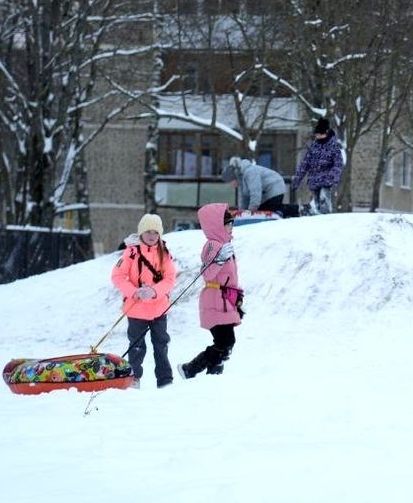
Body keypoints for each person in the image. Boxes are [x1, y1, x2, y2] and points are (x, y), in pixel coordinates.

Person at [110, 213, 178, 388]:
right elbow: (117, 276)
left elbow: (170, 278)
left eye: (155, 232)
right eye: (148, 231)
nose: (152, 235)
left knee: (161, 345)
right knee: (136, 347)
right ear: (141, 232)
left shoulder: (165, 253)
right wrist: (134, 292)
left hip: (159, 309)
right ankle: (133, 379)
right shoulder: (131, 253)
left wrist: (154, 292)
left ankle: (165, 380)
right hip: (136, 309)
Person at [177, 203, 244, 378]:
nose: (231, 227)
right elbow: (207, 274)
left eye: (232, 223)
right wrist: (219, 260)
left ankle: (212, 376)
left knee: (225, 343)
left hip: (225, 301)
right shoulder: (213, 245)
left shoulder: (226, 244)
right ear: (217, 226)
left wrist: (238, 298)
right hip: (215, 300)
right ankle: (191, 369)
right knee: (226, 341)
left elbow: (231, 277)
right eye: (228, 224)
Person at [291, 117, 343, 215]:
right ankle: (317, 217)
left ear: (326, 133)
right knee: (317, 204)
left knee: (324, 201)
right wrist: (297, 179)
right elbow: (305, 163)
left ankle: (325, 214)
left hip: (326, 180)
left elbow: (338, 163)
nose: (318, 136)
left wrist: (332, 177)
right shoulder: (314, 146)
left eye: (320, 134)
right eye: (317, 134)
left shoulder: (333, 146)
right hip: (314, 181)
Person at [221, 156, 286, 214]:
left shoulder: (250, 172)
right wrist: (242, 212)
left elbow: (255, 193)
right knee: (260, 210)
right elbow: (244, 199)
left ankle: (290, 212)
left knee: (268, 212)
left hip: (275, 187)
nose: (231, 185)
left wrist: (249, 213)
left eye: (231, 182)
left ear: (234, 176)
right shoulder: (241, 180)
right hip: (266, 192)